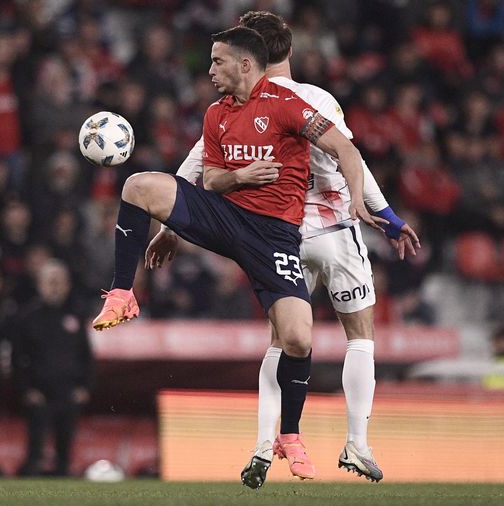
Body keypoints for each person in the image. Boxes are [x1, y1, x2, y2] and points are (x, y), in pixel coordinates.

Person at [93, 25, 386, 481]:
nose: (209, 70)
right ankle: (121, 293)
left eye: (217, 61)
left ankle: (289, 435)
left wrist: (354, 199)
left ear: (245, 64)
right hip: (226, 218)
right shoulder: (216, 114)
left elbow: (345, 148)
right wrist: (241, 178)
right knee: (137, 186)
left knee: (297, 339)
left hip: (274, 236)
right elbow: (210, 181)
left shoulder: (288, 106)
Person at [12, 260, 93, 476]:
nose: (55, 287)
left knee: (65, 449)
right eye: (51, 282)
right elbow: (17, 359)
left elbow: (86, 356)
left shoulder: (76, 314)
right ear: (40, 285)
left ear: (67, 285)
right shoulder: (27, 317)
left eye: (60, 282)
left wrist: (84, 386)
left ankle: (63, 483)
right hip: (40, 392)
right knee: (35, 449)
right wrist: (26, 390)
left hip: (68, 391)